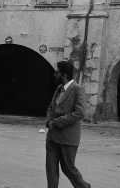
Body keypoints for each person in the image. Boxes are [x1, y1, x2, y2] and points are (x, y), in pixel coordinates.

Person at [45, 60, 91, 188]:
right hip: (52, 136)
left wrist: (57, 122)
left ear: (64, 75)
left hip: (68, 137)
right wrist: (49, 122)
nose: (54, 75)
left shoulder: (78, 89)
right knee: (51, 170)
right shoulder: (59, 89)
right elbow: (51, 107)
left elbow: (80, 113)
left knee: (68, 168)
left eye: (56, 72)